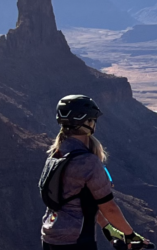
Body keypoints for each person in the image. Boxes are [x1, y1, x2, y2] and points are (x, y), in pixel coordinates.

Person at [41, 95, 148, 250]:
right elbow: (109, 207)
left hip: (50, 237)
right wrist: (130, 235)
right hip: (76, 240)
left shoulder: (55, 155)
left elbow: (79, 200)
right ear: (88, 122)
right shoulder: (88, 161)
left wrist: (106, 227)